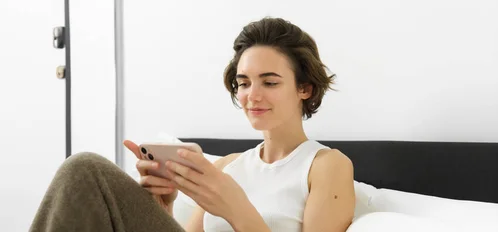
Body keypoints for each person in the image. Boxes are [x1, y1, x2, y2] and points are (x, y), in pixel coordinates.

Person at [30, 17, 355, 232]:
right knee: (85, 175)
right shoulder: (228, 167)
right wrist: (163, 208)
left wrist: (236, 206)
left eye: (269, 83)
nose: (252, 96)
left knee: (87, 167)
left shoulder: (326, 166)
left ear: (305, 88)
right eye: (243, 83)